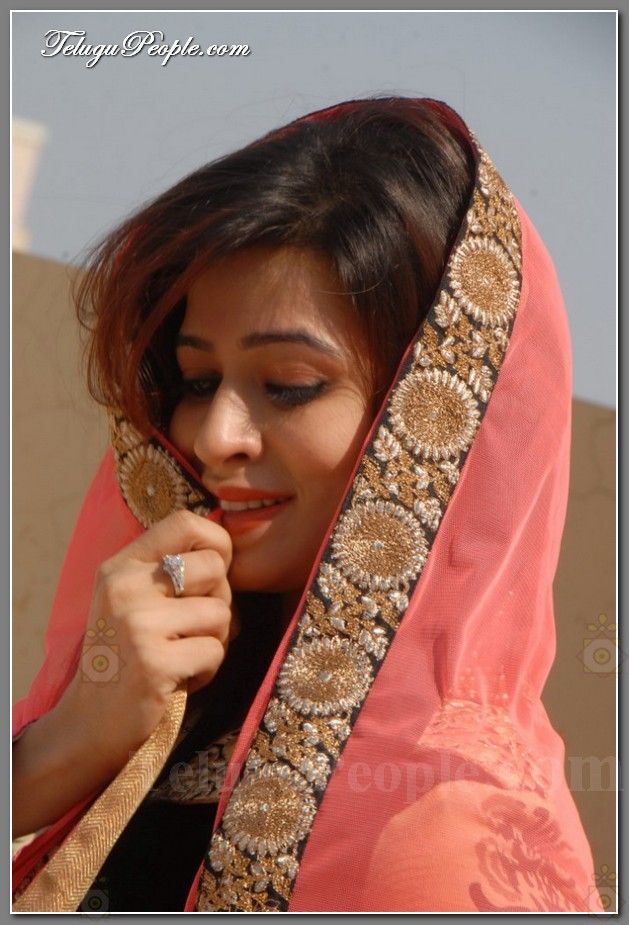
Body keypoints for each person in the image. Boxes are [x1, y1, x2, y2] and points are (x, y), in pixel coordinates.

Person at [12, 96, 604, 913]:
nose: (215, 436)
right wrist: (70, 741)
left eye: (288, 385)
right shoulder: (168, 711)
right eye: (196, 381)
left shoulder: (445, 819)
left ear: (430, 419)